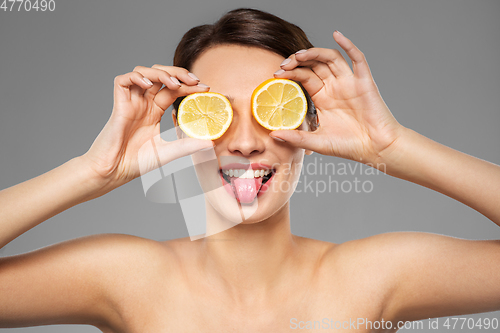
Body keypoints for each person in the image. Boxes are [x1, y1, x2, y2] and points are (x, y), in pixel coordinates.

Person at [1, 7, 499, 332]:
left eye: (270, 110)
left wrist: (392, 146)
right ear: (183, 129)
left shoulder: (369, 278)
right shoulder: (128, 277)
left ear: (309, 123)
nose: (242, 143)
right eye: (217, 113)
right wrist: (92, 171)